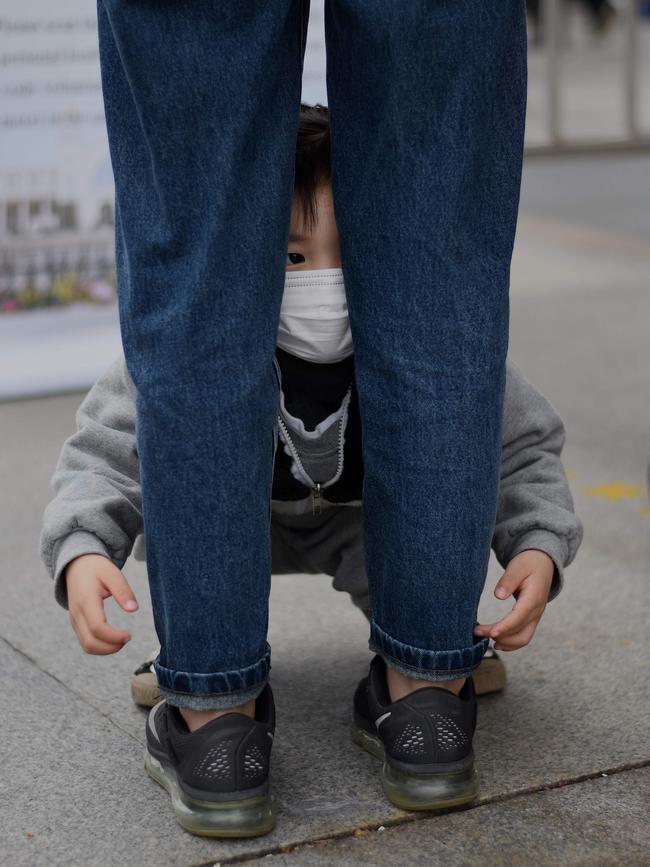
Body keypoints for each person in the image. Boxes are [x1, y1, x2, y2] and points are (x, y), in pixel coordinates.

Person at [40, 102, 583, 837]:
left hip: (368, 531)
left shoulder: (430, 352)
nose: (324, 281)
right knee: (186, 527)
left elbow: (517, 448)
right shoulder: (196, 352)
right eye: (293, 258)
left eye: (349, 254)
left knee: (430, 548)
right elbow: (102, 455)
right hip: (238, 530)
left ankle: (425, 667)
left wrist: (537, 544)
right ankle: (200, 668)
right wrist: (81, 551)